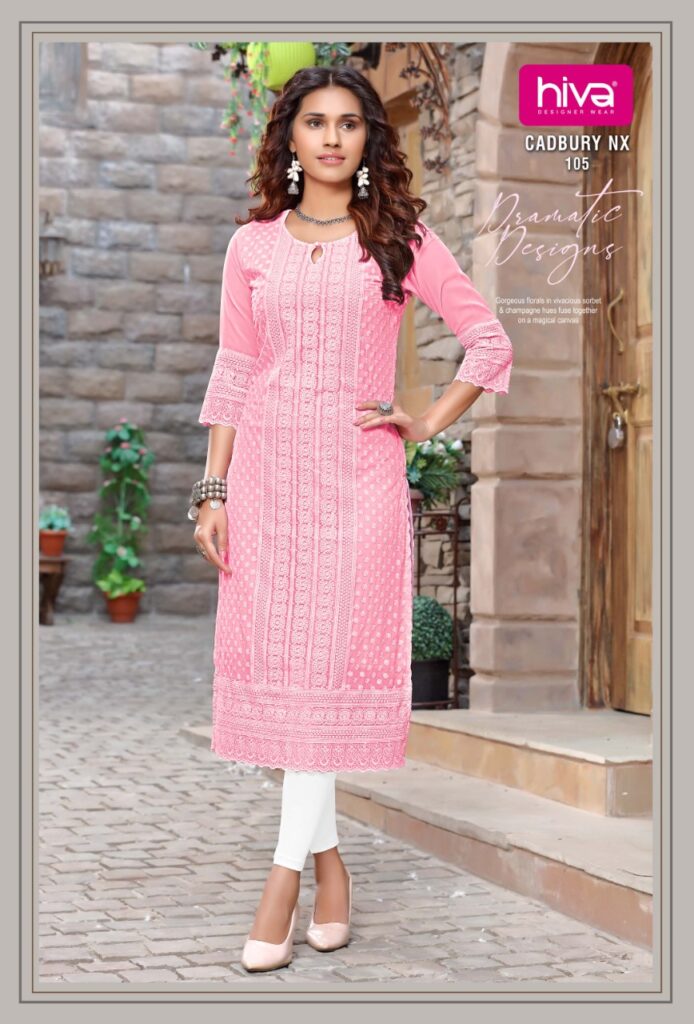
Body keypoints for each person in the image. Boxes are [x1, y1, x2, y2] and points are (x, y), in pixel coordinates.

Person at [189, 65, 513, 973]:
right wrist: (213, 489)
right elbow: (235, 370)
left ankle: (283, 881)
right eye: (314, 122)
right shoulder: (251, 247)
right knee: (291, 681)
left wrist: (426, 422)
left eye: (348, 123)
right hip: (266, 485)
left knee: (323, 672)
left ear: (368, 139)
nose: (331, 137)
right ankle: (333, 869)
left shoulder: (400, 238)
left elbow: (488, 340)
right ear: (289, 138)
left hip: (357, 487)